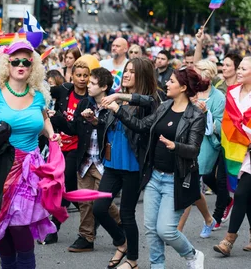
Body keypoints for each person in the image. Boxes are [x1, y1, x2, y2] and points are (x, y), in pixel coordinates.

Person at [107, 67, 208, 269]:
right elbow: (141, 125)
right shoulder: (164, 106)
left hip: (176, 179)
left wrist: (175, 146)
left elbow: (194, 150)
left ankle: (193, 254)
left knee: (166, 230)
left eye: (171, 81)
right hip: (154, 176)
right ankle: (157, 266)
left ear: (183, 87)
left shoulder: (195, 115)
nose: (167, 84)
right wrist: (118, 110)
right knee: (151, 230)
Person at [0, 40, 59, 268]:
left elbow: (43, 119)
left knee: (20, 226)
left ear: (33, 66)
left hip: (30, 169)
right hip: (1, 168)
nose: (21, 65)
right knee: (4, 230)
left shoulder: (38, 95)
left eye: (26, 62)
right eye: (15, 61)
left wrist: (51, 134)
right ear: (6, 64)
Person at [93, 58, 163, 269]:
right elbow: (113, 126)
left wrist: (117, 102)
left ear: (141, 75)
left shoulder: (151, 101)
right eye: (126, 70)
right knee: (99, 209)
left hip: (133, 166)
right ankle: (121, 242)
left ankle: (132, 260)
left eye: (132, 71)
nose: (126, 74)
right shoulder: (120, 99)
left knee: (127, 214)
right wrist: (96, 121)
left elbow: (139, 126)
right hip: (113, 164)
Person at [53, 67, 121, 255]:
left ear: (104, 87)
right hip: (85, 160)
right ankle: (86, 237)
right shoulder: (84, 103)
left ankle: (121, 223)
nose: (87, 85)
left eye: (92, 83)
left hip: (103, 162)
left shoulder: (113, 107)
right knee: (85, 201)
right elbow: (73, 128)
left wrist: (94, 122)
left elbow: (113, 131)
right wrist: (57, 118)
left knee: (102, 201)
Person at [178, 60, 225, 238]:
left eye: (198, 71)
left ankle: (177, 230)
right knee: (193, 188)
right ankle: (208, 219)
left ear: (207, 73)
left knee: (188, 184)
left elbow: (220, 127)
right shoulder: (191, 91)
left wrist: (206, 114)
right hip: (186, 142)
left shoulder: (219, 97)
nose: (195, 75)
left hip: (205, 146)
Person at [46, 60, 90, 247]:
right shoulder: (64, 89)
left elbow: (74, 129)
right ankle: (94, 220)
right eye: (78, 75)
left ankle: (54, 227)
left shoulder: (89, 99)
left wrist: (56, 117)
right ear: (71, 76)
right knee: (70, 189)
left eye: (85, 76)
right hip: (58, 146)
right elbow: (44, 91)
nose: (81, 79)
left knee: (64, 186)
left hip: (77, 149)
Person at [213, 56, 251, 256]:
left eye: (243, 68)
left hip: (250, 152)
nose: (239, 71)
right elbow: (228, 121)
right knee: (247, 196)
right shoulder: (233, 92)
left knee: (242, 194)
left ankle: (228, 240)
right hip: (235, 150)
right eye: (240, 68)